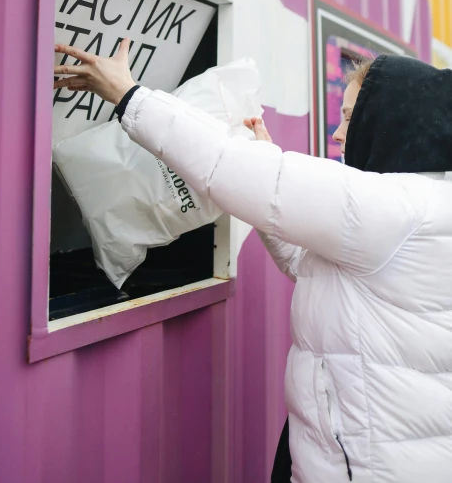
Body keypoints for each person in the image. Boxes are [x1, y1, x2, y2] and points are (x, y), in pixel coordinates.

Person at [54, 40, 452, 483]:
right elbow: (307, 260)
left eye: (349, 119)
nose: (338, 135)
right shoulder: (424, 202)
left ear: (389, 125)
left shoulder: (394, 207)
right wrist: (265, 167)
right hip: (360, 448)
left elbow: (227, 165)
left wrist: (129, 95)